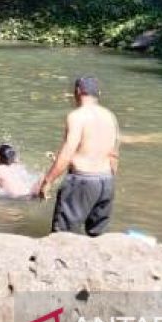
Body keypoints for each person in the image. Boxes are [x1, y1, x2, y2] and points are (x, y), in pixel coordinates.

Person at [32, 76, 119, 236]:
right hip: (106, 181)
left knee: (63, 236)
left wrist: (47, 181)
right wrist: (110, 180)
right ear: (97, 93)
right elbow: (113, 154)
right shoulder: (109, 116)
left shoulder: (77, 116)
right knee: (97, 235)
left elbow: (67, 151)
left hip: (82, 181)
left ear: (77, 92)